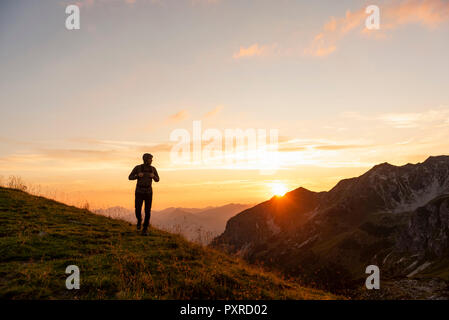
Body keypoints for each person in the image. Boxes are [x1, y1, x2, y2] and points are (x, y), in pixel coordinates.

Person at [128, 153, 160, 235]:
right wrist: (137, 176)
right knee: (137, 209)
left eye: (151, 159)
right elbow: (130, 177)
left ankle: (145, 229)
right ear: (145, 159)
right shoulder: (138, 168)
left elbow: (157, 179)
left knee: (148, 211)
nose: (151, 160)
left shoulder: (153, 169)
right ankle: (139, 220)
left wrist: (153, 176)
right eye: (150, 159)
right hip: (139, 191)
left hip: (149, 192)